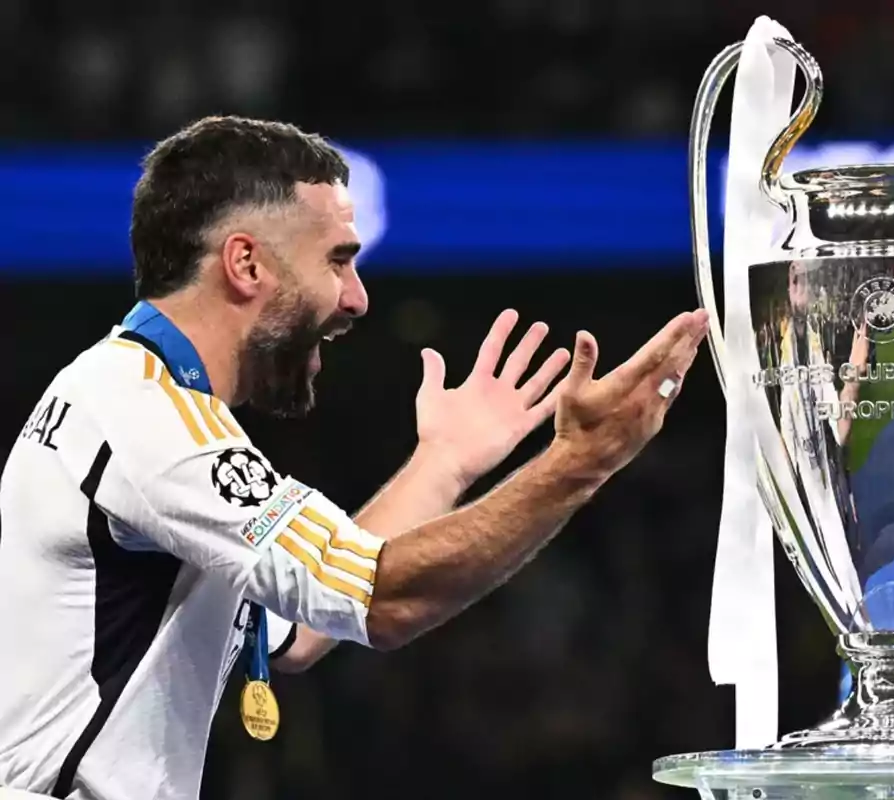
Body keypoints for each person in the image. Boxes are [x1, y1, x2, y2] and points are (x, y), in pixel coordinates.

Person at [0, 116, 708, 800]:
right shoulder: (145, 412)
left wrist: (445, 462)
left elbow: (308, 628)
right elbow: (380, 599)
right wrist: (583, 461)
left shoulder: (127, 397)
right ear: (245, 263)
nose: (358, 298)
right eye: (338, 260)